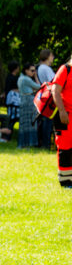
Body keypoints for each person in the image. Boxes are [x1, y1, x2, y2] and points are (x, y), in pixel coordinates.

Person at [49, 55, 72, 188]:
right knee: (64, 146)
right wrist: (62, 111)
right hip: (64, 114)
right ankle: (65, 181)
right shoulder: (65, 69)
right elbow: (55, 90)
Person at [17, 63, 40, 149]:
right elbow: (39, 87)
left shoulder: (20, 78)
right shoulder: (26, 79)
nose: (34, 73)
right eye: (32, 70)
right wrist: (36, 77)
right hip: (29, 101)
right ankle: (29, 143)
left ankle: (23, 143)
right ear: (26, 70)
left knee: (24, 124)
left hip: (23, 101)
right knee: (31, 123)